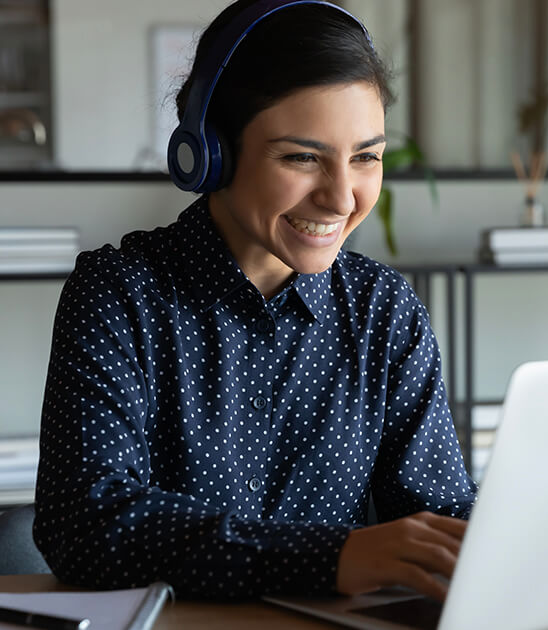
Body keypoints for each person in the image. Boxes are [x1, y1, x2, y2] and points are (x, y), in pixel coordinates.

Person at [34, 0, 477, 602]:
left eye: (366, 157)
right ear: (210, 152)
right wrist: (331, 559)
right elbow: (85, 525)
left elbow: (441, 514)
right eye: (301, 157)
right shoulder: (119, 294)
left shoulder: (385, 309)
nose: (342, 197)